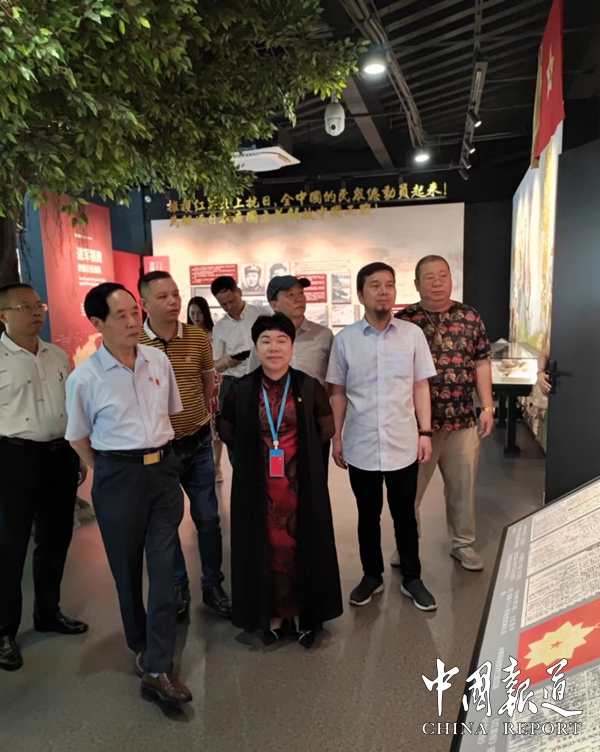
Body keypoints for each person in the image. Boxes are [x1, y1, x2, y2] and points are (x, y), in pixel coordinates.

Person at [65, 282, 192, 705]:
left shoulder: (158, 359)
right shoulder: (85, 378)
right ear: (97, 323)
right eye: (120, 316)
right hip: (118, 477)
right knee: (126, 570)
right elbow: (78, 438)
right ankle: (141, 645)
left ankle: (158, 666)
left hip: (163, 473)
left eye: (135, 312)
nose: (133, 321)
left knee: (163, 567)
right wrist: (109, 470)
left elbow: (170, 411)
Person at [220, 313, 342, 647]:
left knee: (301, 544)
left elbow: (326, 428)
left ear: (292, 346)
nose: (274, 348)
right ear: (256, 347)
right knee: (266, 547)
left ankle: (303, 613)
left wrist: (296, 457)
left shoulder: (308, 386)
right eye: (265, 341)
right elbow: (226, 429)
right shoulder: (242, 389)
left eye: (281, 340)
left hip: (301, 486)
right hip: (258, 488)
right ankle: (271, 614)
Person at [326, 262, 438, 611]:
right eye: (375, 286)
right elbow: (338, 392)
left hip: (403, 442)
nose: (383, 291)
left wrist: (424, 432)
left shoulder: (412, 335)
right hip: (361, 444)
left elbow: (421, 386)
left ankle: (412, 577)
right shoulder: (345, 340)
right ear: (361, 294)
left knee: (405, 514)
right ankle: (371, 575)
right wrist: (337, 437)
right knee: (367, 515)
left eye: (389, 285)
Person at [0, 284, 88, 672]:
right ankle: (4, 631)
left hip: (59, 455)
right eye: (25, 307)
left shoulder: (56, 354)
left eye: (39, 305)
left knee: (55, 539)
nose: (36, 312)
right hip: (13, 459)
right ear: (3, 315)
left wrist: (78, 452)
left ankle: (48, 613)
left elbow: (71, 406)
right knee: (10, 546)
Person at [138, 273, 231, 623]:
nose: (173, 302)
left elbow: (208, 379)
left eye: (175, 294)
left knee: (208, 517)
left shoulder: (196, 337)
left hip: (197, 440)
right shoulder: (136, 343)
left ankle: (213, 585)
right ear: (145, 304)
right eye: (163, 296)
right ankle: (178, 586)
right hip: (158, 449)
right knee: (166, 522)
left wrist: (200, 413)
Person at [392, 255, 494, 572]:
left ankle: (463, 543)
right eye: (429, 277)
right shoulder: (404, 321)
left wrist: (487, 406)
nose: (437, 283)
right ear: (416, 284)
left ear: (451, 278)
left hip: (462, 420)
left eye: (443, 276)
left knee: (462, 488)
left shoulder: (470, 317)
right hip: (415, 426)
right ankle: (406, 544)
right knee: (408, 492)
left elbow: (481, 363)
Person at [248, 275, 334, 474]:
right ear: (274, 305)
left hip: (313, 422)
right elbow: (253, 381)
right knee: (278, 483)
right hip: (273, 424)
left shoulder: (323, 335)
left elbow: (334, 381)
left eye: (301, 293)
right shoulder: (264, 340)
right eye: (290, 295)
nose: (299, 299)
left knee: (315, 481)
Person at [211, 276, 268, 464]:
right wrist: (230, 360)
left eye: (232, 301)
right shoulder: (220, 327)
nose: (229, 307)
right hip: (233, 383)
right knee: (232, 433)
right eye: (224, 304)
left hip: (262, 381)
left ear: (239, 293)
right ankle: (240, 474)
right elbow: (216, 365)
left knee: (264, 430)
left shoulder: (263, 314)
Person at [188, 296, 224, 482]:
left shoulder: (215, 333)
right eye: (192, 313)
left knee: (216, 430)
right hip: (195, 385)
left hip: (216, 383)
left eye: (199, 313)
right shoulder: (186, 336)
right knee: (201, 428)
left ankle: (217, 465)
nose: (196, 317)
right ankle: (201, 465)